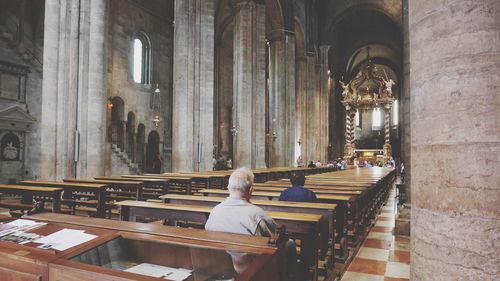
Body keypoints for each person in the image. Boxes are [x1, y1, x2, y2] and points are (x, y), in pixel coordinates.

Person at [205, 168, 296, 275]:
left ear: (228, 188)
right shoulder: (257, 214)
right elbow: (275, 236)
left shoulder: (215, 211)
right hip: (250, 269)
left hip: (219, 266)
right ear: (251, 190)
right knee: (289, 244)